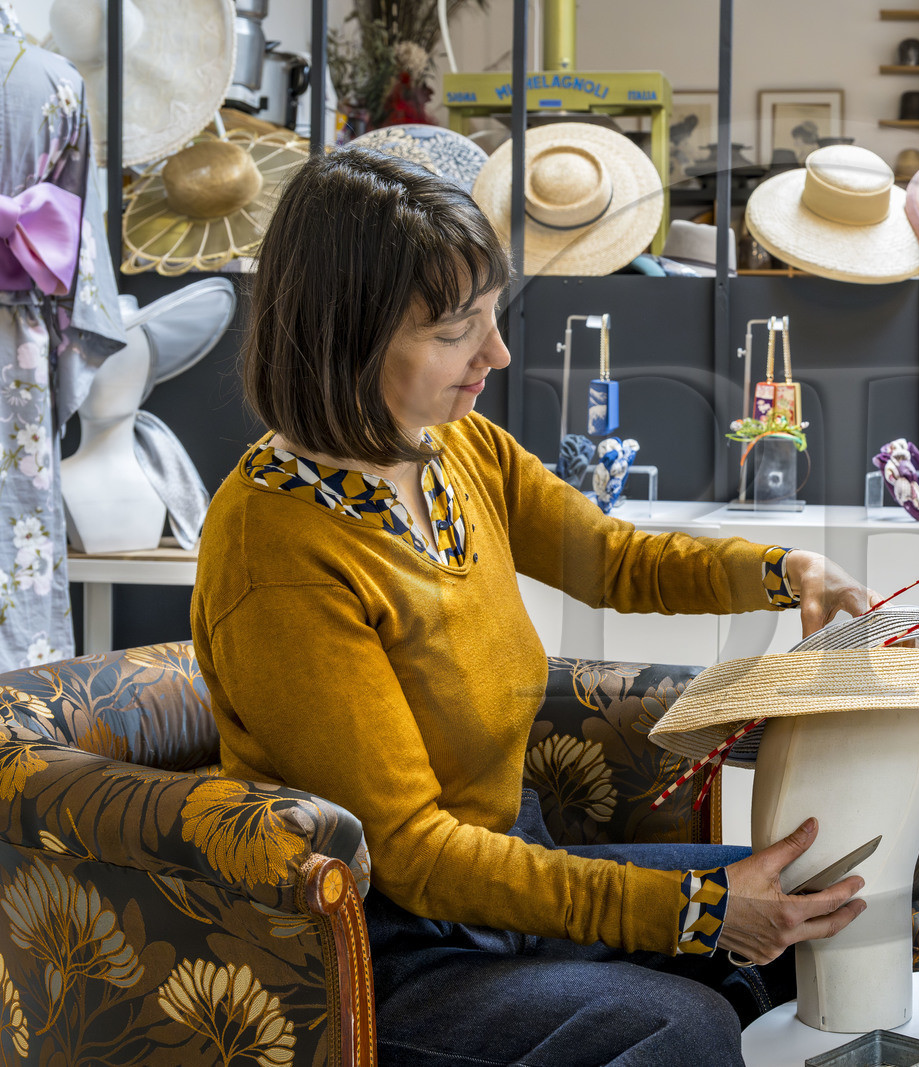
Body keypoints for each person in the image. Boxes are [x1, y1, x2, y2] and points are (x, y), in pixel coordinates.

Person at [191, 149, 876, 1067]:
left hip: (508, 882)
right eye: (454, 329)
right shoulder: (277, 551)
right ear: (344, 336)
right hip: (383, 946)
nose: (496, 354)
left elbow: (613, 560)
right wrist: (693, 910)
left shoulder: (451, 444)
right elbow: (415, 855)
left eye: (491, 316)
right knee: (688, 1022)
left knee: (809, 907)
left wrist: (787, 571)